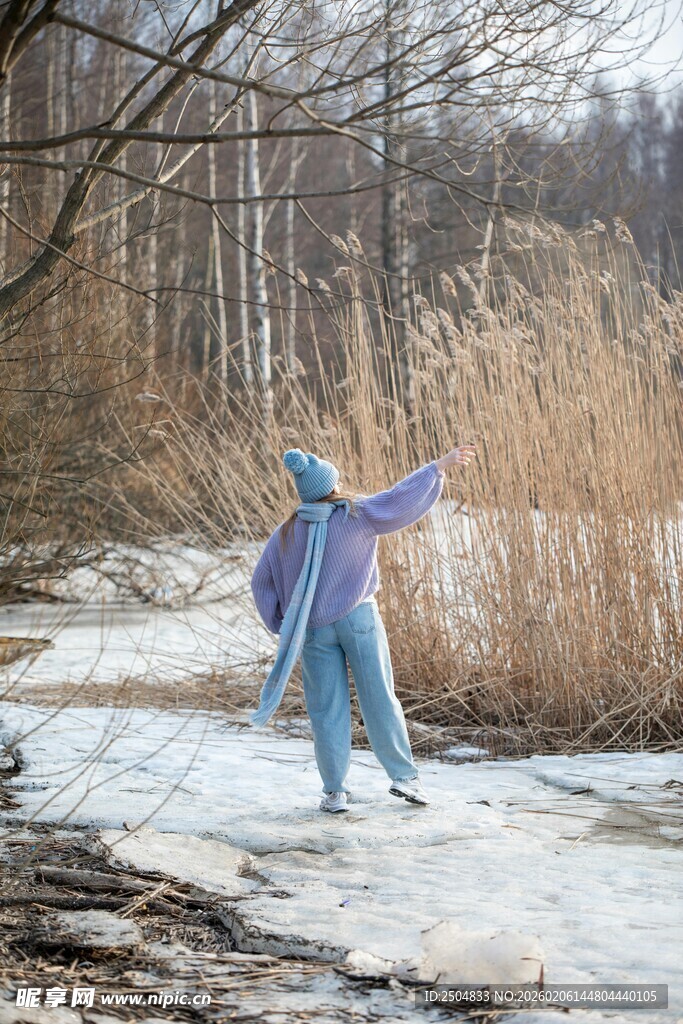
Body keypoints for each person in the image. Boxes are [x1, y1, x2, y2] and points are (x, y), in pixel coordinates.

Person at [250, 444, 477, 812]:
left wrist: (281, 621)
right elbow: (399, 499)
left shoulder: (285, 533)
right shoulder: (355, 512)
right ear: (333, 483)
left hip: (313, 629)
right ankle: (405, 779)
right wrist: (436, 467)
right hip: (358, 618)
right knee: (379, 697)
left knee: (325, 709)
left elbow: (261, 580)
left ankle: (335, 791)